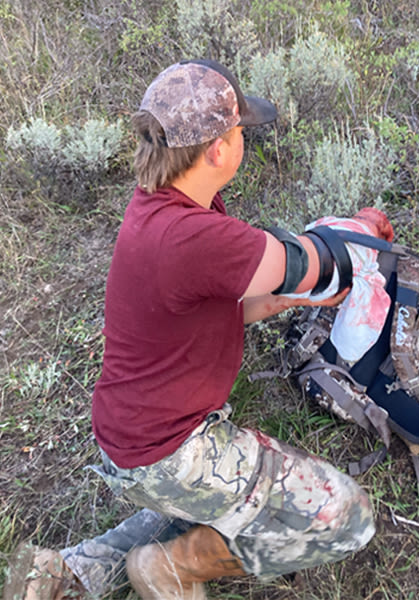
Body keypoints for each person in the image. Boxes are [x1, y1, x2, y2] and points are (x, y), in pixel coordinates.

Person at [2, 59, 376, 600]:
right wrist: (358, 232)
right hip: (171, 450)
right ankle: (172, 570)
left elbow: (226, 303)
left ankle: (65, 577)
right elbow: (309, 261)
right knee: (344, 515)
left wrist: (286, 298)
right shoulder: (197, 237)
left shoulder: (157, 208)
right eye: (240, 130)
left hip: (127, 439)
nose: (244, 139)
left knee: (212, 503)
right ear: (218, 150)